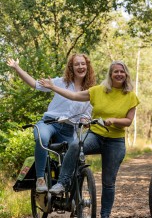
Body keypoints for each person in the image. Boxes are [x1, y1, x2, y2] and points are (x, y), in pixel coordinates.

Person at [40, 61, 139, 218]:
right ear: (110, 74)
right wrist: (53, 87)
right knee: (75, 145)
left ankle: (105, 217)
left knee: (109, 182)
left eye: (122, 72)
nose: (119, 74)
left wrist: (114, 121)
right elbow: (74, 96)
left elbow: (128, 121)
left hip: (115, 141)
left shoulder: (131, 96)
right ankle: (63, 182)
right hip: (96, 135)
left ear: (126, 74)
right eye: (115, 72)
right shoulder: (98, 91)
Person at [6, 55, 95, 192]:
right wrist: (17, 68)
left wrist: (85, 120)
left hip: (69, 129)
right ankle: (40, 178)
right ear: (71, 67)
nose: (80, 67)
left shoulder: (91, 91)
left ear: (87, 66)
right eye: (76, 64)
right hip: (49, 123)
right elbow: (34, 84)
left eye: (83, 64)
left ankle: (69, 193)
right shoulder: (61, 82)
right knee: (42, 138)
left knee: (75, 153)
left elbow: (86, 114)